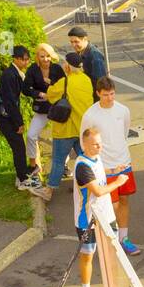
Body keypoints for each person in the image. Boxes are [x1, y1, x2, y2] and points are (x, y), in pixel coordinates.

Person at [72, 125, 130, 287]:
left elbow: (100, 171)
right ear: (85, 145)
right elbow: (98, 190)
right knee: (88, 256)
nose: (100, 147)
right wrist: (118, 182)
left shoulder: (95, 157)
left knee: (111, 255)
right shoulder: (81, 167)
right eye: (96, 145)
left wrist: (113, 170)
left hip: (106, 216)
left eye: (100, 143)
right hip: (87, 220)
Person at [81, 77, 139, 256]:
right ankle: (110, 242)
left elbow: (124, 132)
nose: (110, 98)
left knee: (123, 201)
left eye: (112, 94)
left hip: (124, 163)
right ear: (98, 93)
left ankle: (124, 238)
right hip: (104, 168)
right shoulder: (90, 115)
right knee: (110, 206)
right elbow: (84, 142)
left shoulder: (123, 110)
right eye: (106, 95)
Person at [0, 45, 46, 196]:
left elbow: (24, 90)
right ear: (16, 59)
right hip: (4, 116)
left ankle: (22, 173)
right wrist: (18, 123)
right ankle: (22, 180)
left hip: (7, 114)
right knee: (19, 146)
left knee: (19, 146)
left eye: (28, 59)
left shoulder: (15, 73)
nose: (26, 62)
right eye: (24, 60)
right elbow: (9, 102)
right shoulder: (9, 75)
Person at [44, 52, 95, 193]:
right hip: (82, 129)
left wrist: (50, 85)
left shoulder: (64, 82)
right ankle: (87, 186)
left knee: (58, 161)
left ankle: (49, 190)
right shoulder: (87, 80)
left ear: (67, 66)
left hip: (64, 130)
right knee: (84, 160)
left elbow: (51, 95)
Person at [23, 43, 64, 181]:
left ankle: (63, 164)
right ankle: (33, 165)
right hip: (41, 108)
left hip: (56, 107)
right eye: (42, 56)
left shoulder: (57, 69)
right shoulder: (33, 69)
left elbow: (64, 85)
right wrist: (39, 94)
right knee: (30, 135)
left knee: (62, 136)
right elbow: (26, 88)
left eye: (48, 56)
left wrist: (51, 84)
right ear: (37, 57)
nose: (46, 59)